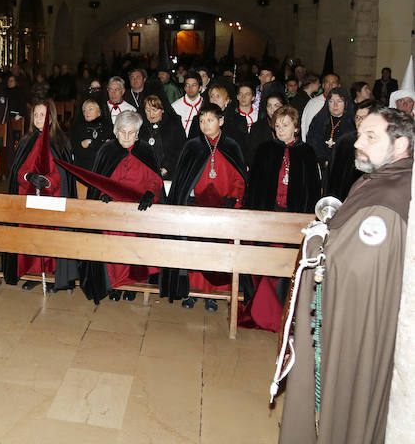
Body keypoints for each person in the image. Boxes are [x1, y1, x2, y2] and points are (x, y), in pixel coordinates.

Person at [279, 108, 414, 444]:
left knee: (344, 402)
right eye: (360, 134)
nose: (358, 143)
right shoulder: (381, 180)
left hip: (355, 324)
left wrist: (316, 246)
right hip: (354, 313)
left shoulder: (388, 199)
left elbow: (358, 266)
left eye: (371, 137)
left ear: (400, 146)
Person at [241, 105, 319, 332]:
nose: (281, 129)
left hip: (294, 219)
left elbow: (312, 189)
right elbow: (254, 186)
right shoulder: (265, 149)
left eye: (286, 125)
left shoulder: (307, 152)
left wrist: (308, 219)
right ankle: (265, 312)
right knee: (267, 262)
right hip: (269, 217)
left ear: (295, 127)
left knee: (289, 265)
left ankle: (287, 312)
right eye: (277, 125)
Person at [166, 103, 246, 311]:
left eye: (209, 120)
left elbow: (239, 178)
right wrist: (187, 196)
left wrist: (235, 199)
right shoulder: (192, 145)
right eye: (201, 121)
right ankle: (191, 292)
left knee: (216, 253)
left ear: (221, 121)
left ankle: (212, 294)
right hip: (196, 208)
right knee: (194, 251)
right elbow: (182, 179)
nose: (205, 125)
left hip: (223, 210)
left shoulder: (231, 146)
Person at [82, 110, 164, 303]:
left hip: (138, 212)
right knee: (110, 240)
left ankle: (133, 285)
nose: (127, 137)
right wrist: (103, 195)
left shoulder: (145, 150)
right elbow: (99, 181)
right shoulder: (107, 150)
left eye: (131, 133)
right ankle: (114, 284)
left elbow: (155, 181)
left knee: (136, 243)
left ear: (137, 133)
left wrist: (150, 195)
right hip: (113, 212)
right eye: (123, 132)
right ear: (116, 131)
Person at [2, 100, 77, 291]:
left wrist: (48, 181)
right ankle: (35, 272)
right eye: (35, 114)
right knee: (32, 237)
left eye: (42, 115)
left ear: (51, 117)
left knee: (51, 237)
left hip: (54, 199)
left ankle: (53, 275)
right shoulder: (26, 141)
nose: (38, 118)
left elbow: (63, 173)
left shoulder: (60, 141)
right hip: (29, 199)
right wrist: (29, 176)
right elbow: (18, 171)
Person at [323, 98, 376, 201]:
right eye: (357, 117)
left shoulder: (379, 145)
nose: (360, 121)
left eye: (364, 117)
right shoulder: (344, 141)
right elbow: (332, 176)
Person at [138, 94, 184, 180]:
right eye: (148, 110)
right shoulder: (139, 125)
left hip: (169, 173)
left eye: (155, 110)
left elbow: (180, 150)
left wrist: (167, 168)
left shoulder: (174, 125)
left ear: (162, 110)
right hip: (144, 174)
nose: (151, 114)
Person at [307, 87, 355, 169]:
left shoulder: (352, 123)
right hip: (320, 166)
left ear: (346, 103)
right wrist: (322, 160)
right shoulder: (319, 120)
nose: (335, 105)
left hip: (343, 168)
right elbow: (311, 143)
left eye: (339, 101)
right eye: (331, 101)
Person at [70, 98, 114, 170]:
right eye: (84, 110)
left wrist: (90, 143)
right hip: (83, 170)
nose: (87, 112)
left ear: (99, 112)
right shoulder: (78, 128)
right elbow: (75, 149)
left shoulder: (108, 127)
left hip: (102, 169)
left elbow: (109, 151)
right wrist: (100, 145)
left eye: (91, 109)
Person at [247, 94, 287, 168]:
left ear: (283, 107)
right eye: (269, 106)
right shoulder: (257, 127)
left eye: (276, 105)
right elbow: (252, 155)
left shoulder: (289, 125)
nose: (272, 109)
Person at [301, 73, 340, 141]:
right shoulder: (314, 103)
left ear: (339, 85)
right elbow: (306, 127)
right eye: (327, 82)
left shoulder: (344, 104)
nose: (330, 85)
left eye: (333, 82)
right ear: (323, 85)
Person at [171, 72, 204, 137]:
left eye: (194, 85)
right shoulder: (175, 106)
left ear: (200, 88)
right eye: (187, 85)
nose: (190, 88)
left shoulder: (206, 104)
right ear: (184, 88)